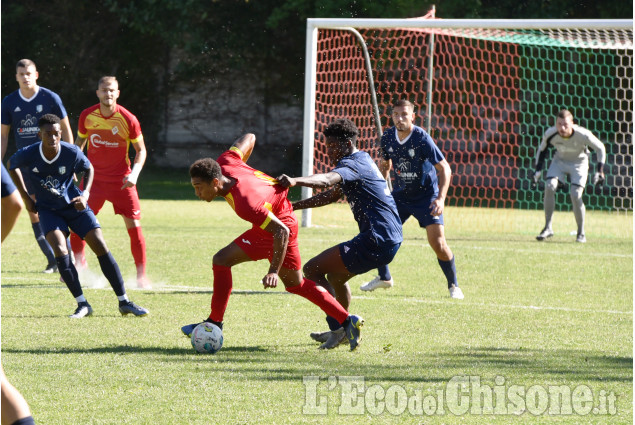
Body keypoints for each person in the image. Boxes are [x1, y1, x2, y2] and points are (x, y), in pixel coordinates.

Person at [180, 133, 364, 351]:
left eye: (199, 187)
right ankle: (214, 322)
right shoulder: (226, 162)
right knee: (224, 261)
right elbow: (249, 137)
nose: (197, 193)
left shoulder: (246, 204)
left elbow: (281, 231)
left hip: (280, 226)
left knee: (292, 283)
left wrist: (273, 270)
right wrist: (246, 171)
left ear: (216, 182)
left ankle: (345, 321)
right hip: (270, 223)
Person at [277, 118, 403, 349]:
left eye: (333, 147)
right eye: (327, 147)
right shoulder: (360, 160)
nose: (329, 152)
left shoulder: (353, 164)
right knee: (337, 277)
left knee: (312, 269)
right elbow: (333, 195)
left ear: (347, 144)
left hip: (376, 239)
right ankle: (341, 328)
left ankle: (339, 329)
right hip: (387, 239)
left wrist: (295, 180)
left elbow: (326, 180)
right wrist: (295, 206)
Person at [7, 114, 149, 319]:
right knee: (59, 248)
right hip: (48, 210)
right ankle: (82, 304)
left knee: (99, 244)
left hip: (74, 206)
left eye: (57, 134)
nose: (53, 138)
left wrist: (85, 194)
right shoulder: (29, 153)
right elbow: (12, 165)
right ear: (40, 135)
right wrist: (26, 197)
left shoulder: (71, 151)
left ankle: (124, 301)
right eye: (48, 134)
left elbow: (88, 168)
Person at [360, 100, 464, 300]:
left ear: (413, 116)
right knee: (377, 231)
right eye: (396, 114)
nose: (400, 118)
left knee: (438, 243)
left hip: (427, 197)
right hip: (401, 195)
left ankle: (454, 286)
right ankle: (385, 277)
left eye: (404, 114)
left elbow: (445, 168)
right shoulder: (388, 137)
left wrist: (440, 199)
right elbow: (385, 164)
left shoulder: (421, 138)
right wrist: (382, 190)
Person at [70, 76, 150, 288]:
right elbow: (80, 142)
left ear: (118, 93)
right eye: (104, 90)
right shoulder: (88, 116)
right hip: (92, 181)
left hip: (122, 181)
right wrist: (72, 166)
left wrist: (134, 174)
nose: (108, 94)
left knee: (134, 226)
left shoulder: (128, 119)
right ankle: (79, 266)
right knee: (78, 222)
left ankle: (141, 276)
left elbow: (141, 150)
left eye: (112, 90)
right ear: (97, 92)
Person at [1, 59, 74, 273]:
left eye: (29, 73)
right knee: (33, 211)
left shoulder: (50, 98)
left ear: (36, 74)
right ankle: (54, 260)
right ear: (16, 77)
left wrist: (69, 160)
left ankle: (68, 259)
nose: (25, 77)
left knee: (56, 208)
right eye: (21, 73)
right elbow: (3, 135)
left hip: (51, 164)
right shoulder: (9, 101)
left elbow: (67, 130)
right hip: (26, 164)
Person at [533, 109, 606, 243]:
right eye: (559, 124)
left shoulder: (582, 134)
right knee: (549, 186)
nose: (562, 127)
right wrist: (538, 170)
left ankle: (581, 233)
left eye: (565, 124)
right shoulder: (550, 133)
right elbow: (542, 150)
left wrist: (599, 171)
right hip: (559, 161)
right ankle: (548, 228)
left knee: (576, 194)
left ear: (572, 123)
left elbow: (600, 148)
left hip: (579, 162)